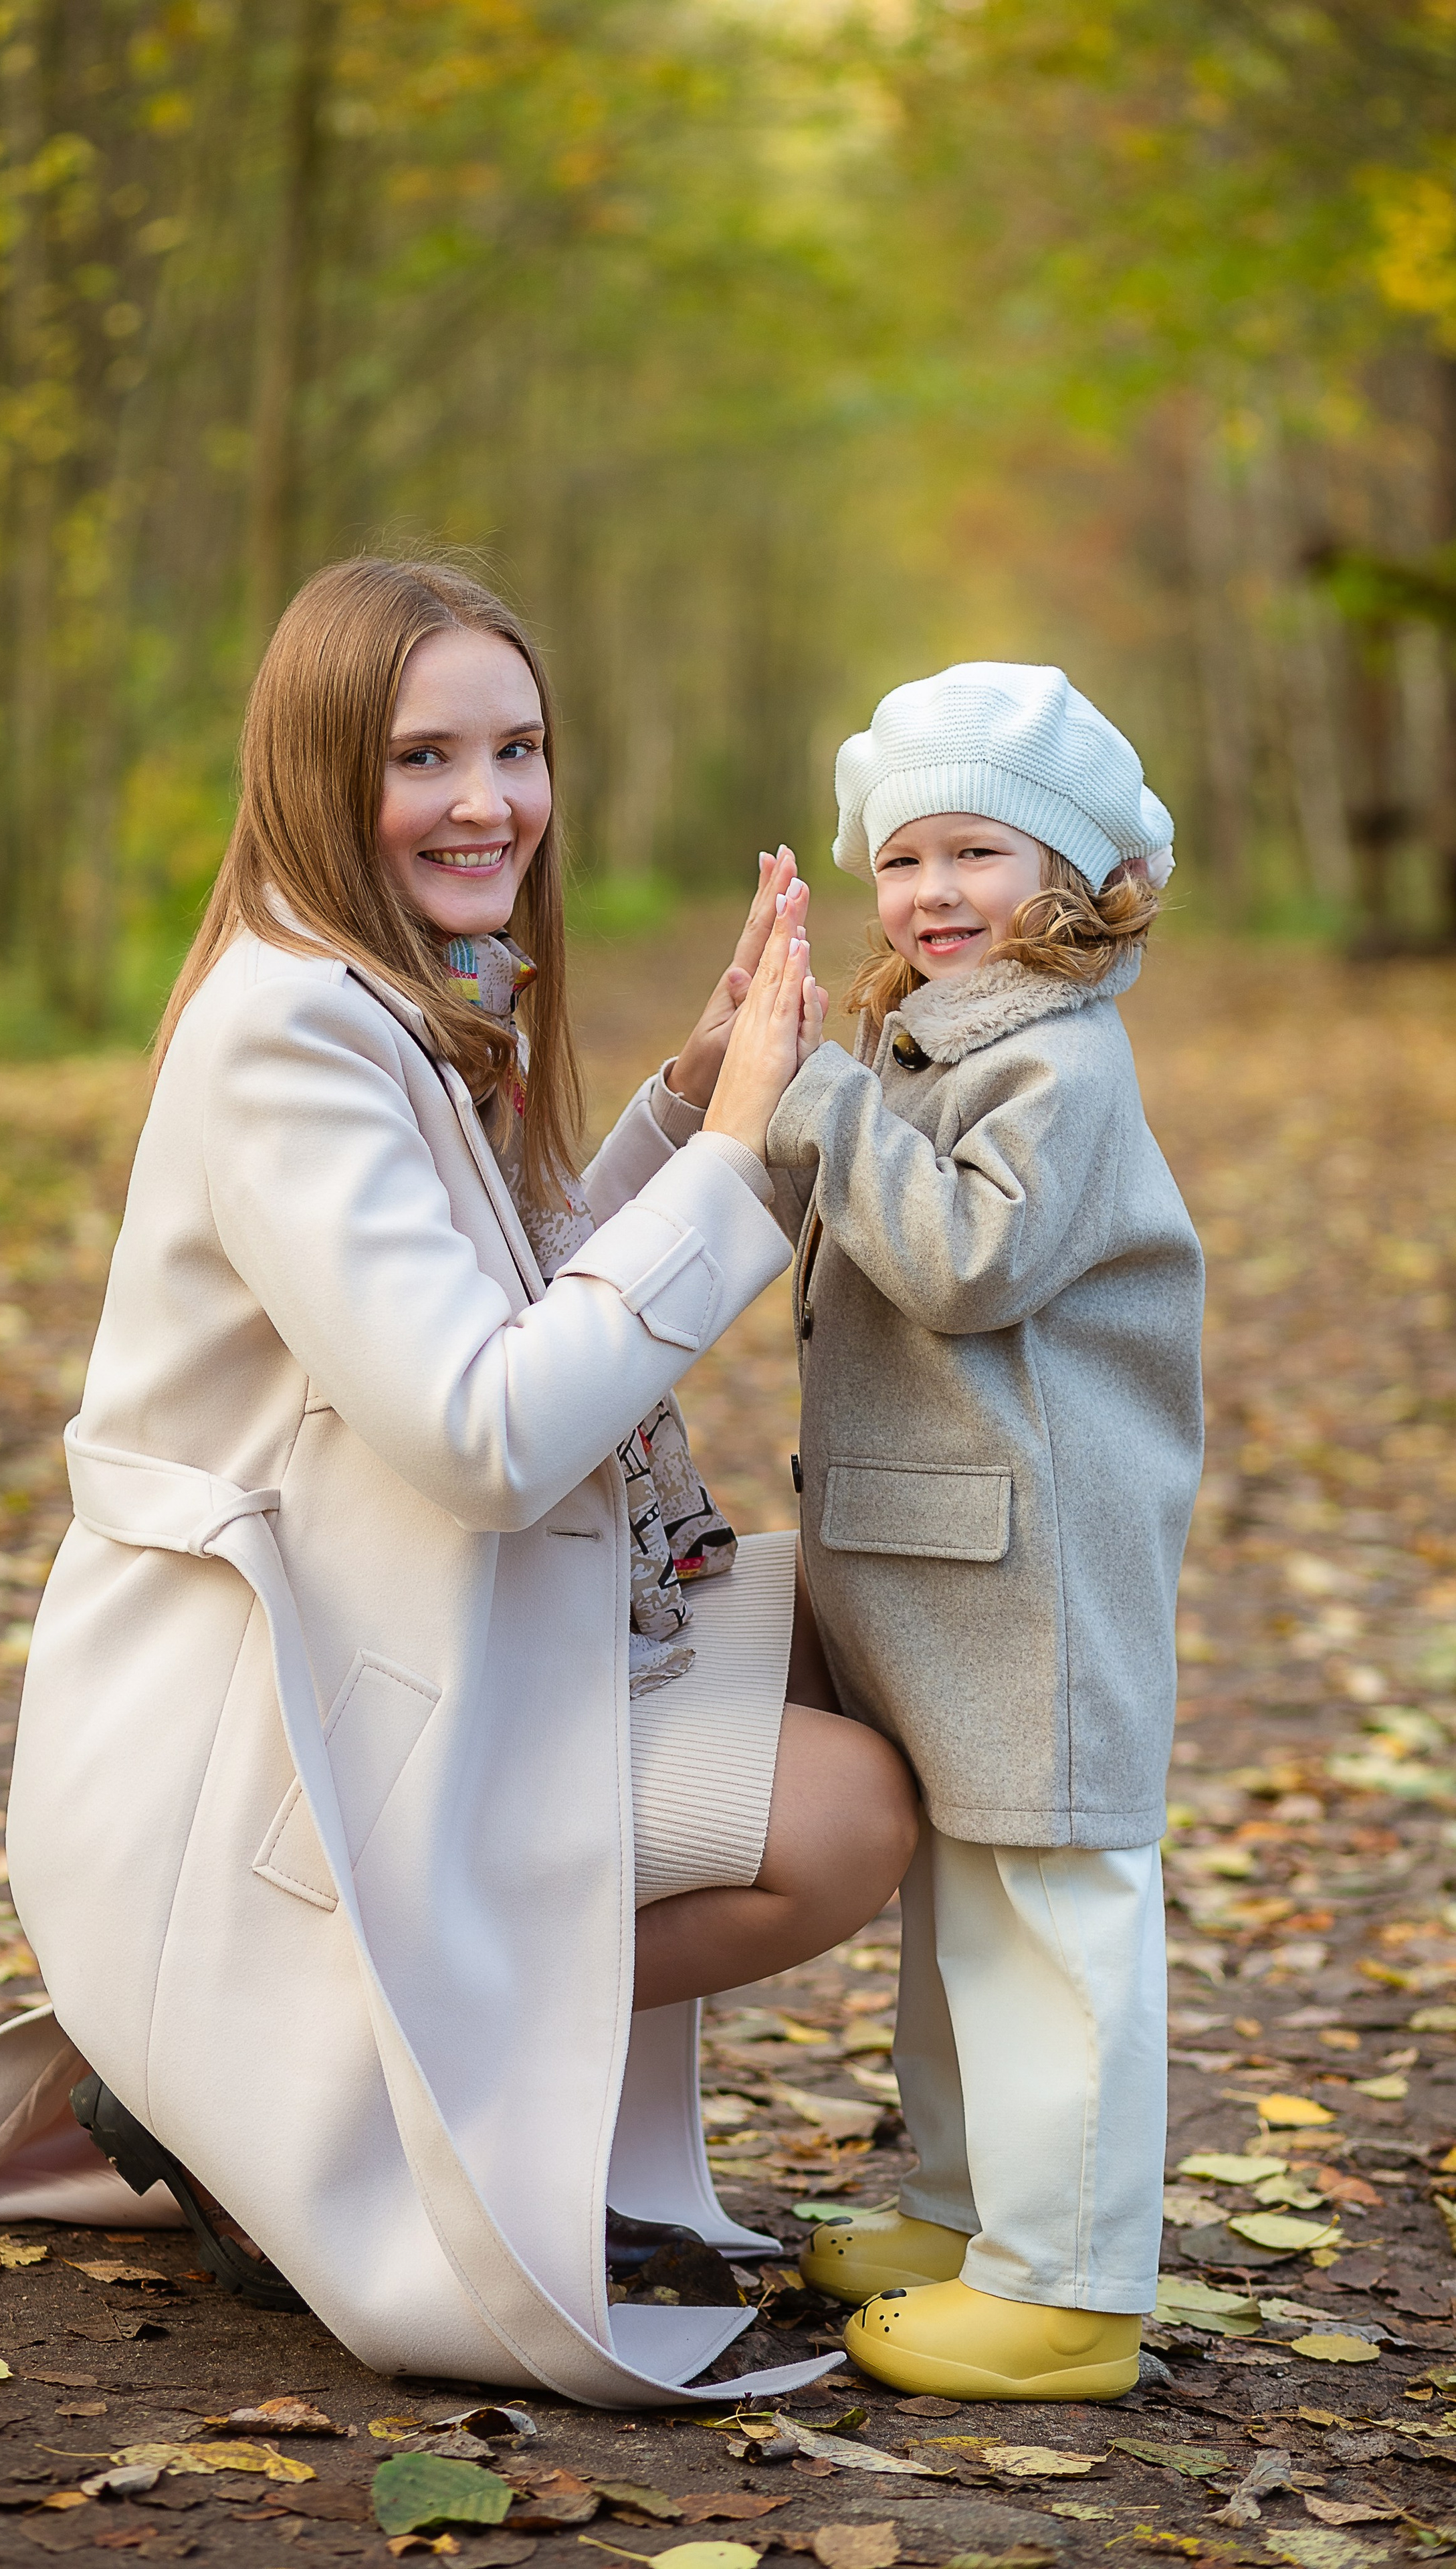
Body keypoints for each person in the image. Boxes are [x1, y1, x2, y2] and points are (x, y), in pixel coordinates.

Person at [0, 557, 916, 2408]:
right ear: (312, 773)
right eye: (424, 754)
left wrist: (689, 1110)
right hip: (270, 1735)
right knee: (843, 1811)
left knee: (839, 1644)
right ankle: (309, 2067)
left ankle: (330, 2068)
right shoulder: (290, 1032)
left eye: (517, 746)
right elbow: (489, 1425)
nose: (488, 802)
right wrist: (749, 1159)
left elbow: (511, 1295)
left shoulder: (395, 993)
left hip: (396, 1652)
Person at [772, 663, 1204, 2402]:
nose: (935, 892)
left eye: (981, 854)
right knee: (966, 1899)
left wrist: (814, 1100)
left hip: (1037, 1569)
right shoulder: (945, 1038)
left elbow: (967, 1257)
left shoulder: (1061, 1066)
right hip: (944, 1557)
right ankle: (968, 2212)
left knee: (1052, 1898)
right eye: (905, 858)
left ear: (1077, 880)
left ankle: (1071, 2282)